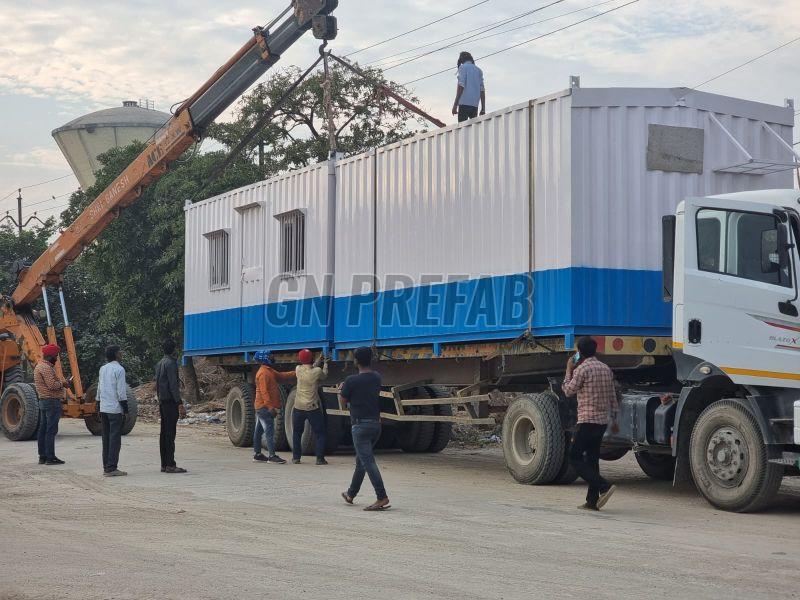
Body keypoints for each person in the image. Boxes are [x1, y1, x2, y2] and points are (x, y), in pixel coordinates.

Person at [563, 336, 619, 511]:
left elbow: (568, 391)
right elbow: (612, 396)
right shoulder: (605, 368)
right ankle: (592, 501)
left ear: (580, 352)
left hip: (586, 420)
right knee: (593, 459)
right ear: (595, 350)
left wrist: (568, 369)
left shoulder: (582, 369)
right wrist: (615, 420)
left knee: (574, 457)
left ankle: (604, 486)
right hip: (602, 422)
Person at [339, 347, 389, 511]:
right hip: (376, 425)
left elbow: (343, 401)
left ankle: (381, 496)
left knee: (367, 462)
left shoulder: (351, 381)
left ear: (356, 361)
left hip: (360, 426)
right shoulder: (376, 377)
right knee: (361, 461)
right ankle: (351, 493)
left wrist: (342, 389)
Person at [252, 350, 293, 464]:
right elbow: (264, 392)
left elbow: (281, 375)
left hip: (261, 406)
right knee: (269, 431)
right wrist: (270, 407)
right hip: (263, 407)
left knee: (259, 431)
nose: (273, 357)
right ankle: (272, 456)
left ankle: (257, 454)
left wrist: (296, 372)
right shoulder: (263, 373)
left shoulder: (268, 371)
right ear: (265, 358)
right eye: (270, 355)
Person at [155, 339, 187, 473]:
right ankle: (170, 464)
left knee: (163, 433)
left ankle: (164, 463)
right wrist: (179, 403)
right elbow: (173, 386)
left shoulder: (159, 363)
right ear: (173, 350)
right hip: (170, 402)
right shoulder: (172, 364)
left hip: (162, 401)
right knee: (170, 434)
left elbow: (157, 385)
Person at [292, 349, 328, 465]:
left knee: (297, 432)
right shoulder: (317, 371)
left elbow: (310, 367)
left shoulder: (298, 369)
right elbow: (324, 375)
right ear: (311, 359)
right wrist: (325, 363)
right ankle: (320, 459)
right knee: (320, 433)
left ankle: (296, 458)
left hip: (298, 407)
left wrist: (318, 360)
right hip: (312, 407)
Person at [34, 344, 69, 465]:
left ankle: (42, 456)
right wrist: (64, 384)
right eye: (56, 356)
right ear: (50, 356)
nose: (57, 358)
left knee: (43, 429)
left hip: (44, 401)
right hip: (51, 402)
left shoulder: (40, 366)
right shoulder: (46, 368)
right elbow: (52, 385)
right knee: (51, 430)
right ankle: (50, 457)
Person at [97, 345, 129, 477]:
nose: (121, 353)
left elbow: (99, 388)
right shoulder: (120, 369)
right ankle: (112, 467)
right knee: (115, 438)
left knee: (106, 438)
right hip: (115, 409)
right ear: (116, 354)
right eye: (120, 351)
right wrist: (126, 409)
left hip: (104, 407)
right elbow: (121, 392)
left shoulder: (103, 369)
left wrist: (98, 404)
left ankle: (106, 466)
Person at [451, 51, 485, 123]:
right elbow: (482, 90)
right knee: (474, 129)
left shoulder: (463, 67)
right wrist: (483, 108)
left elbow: (461, 86)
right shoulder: (479, 70)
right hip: (475, 104)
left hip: (464, 103)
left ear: (461, 60)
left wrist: (455, 105)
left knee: (462, 128)